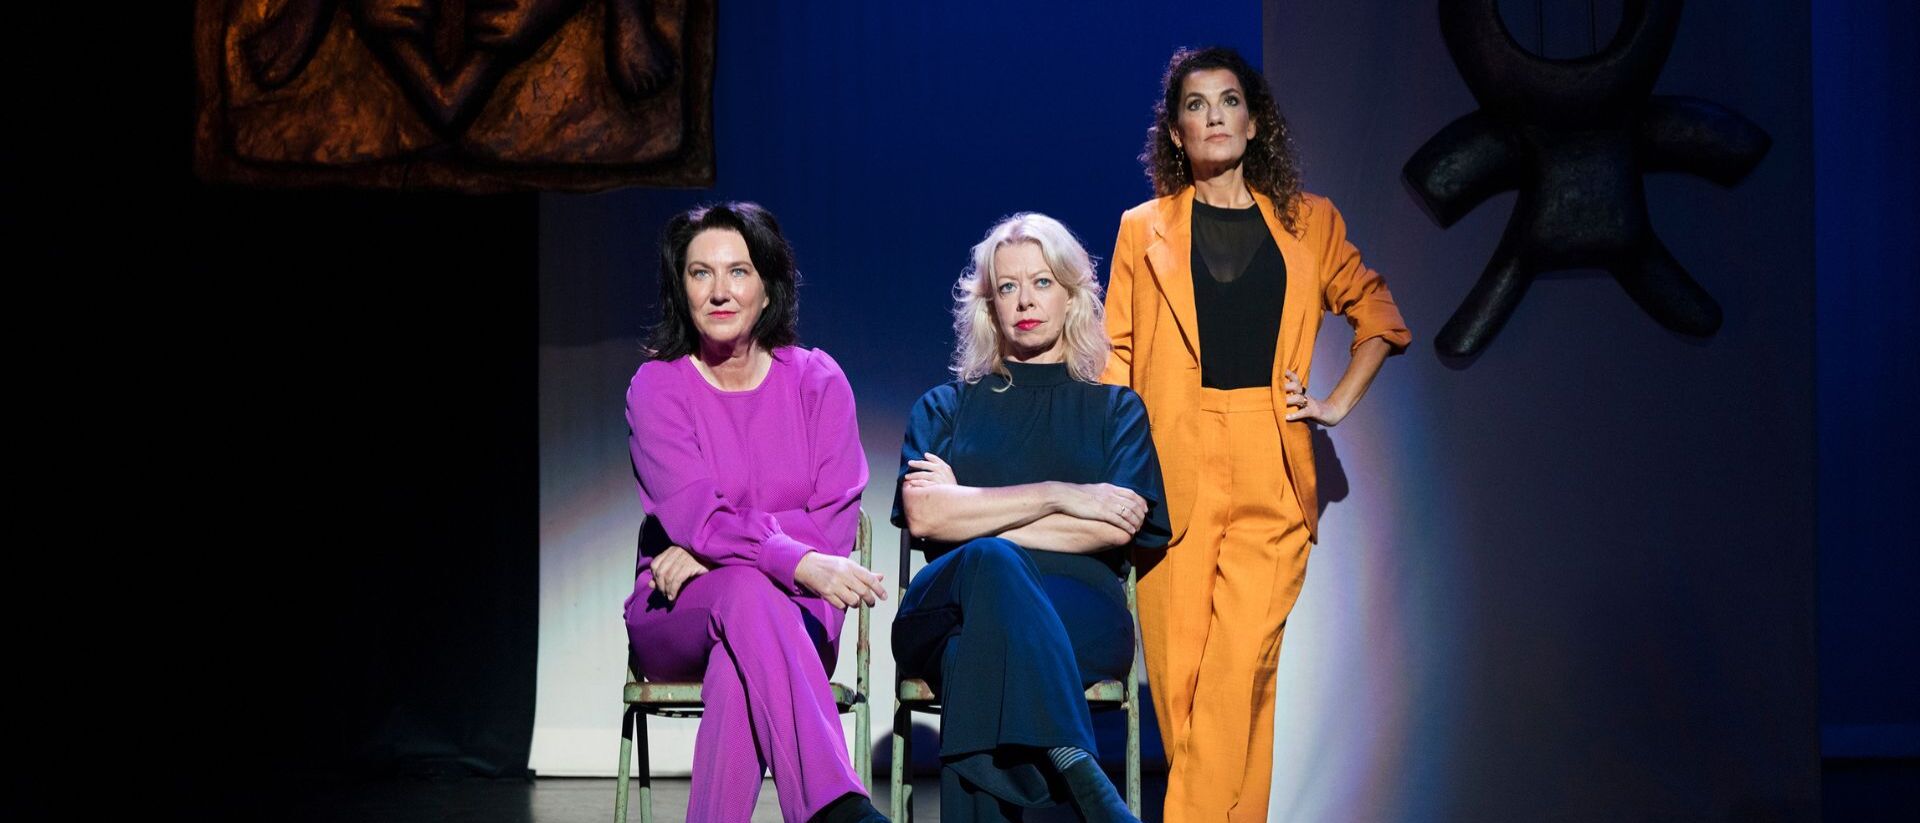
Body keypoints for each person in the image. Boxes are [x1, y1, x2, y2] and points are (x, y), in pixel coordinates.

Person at [1103, 47, 1412, 822]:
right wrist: (1118, 472)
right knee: (1192, 699)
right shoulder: (1142, 230)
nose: (1214, 116)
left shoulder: (1311, 221)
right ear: (1174, 133)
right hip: (1171, 470)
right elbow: (1117, 357)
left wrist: (1336, 403)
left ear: (1254, 120)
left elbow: (1376, 313)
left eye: (1229, 100)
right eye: (1196, 105)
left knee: (1236, 670)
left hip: (1271, 464)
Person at [892, 213, 1171, 823]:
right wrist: (1061, 493)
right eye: (1008, 286)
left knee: (973, 650)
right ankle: (1076, 763)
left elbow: (1114, 528)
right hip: (945, 606)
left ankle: (1069, 762)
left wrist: (973, 509)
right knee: (989, 564)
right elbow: (925, 515)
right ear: (988, 303)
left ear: (1072, 294)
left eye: (1042, 283)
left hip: (1078, 620)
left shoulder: (1114, 411)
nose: (1025, 301)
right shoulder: (945, 407)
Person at [623, 202, 890, 823]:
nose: (720, 291)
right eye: (700, 273)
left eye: (738, 272)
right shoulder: (658, 387)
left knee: (741, 641)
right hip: (677, 612)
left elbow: (830, 525)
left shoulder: (818, 381)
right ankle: (836, 807)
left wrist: (711, 548)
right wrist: (774, 551)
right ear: (679, 289)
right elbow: (697, 514)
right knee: (742, 593)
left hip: (798, 616)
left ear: (768, 287)